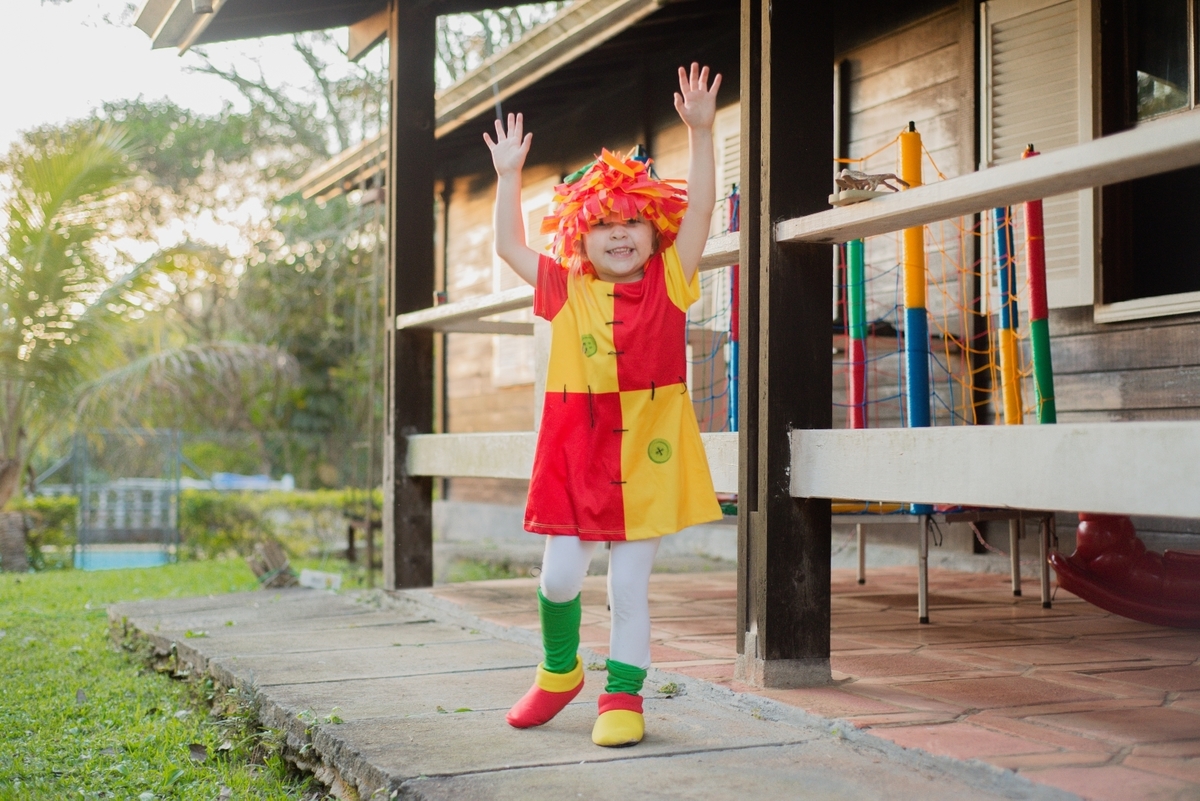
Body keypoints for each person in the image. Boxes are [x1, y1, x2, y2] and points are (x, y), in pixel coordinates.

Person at [484, 63, 724, 747]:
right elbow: (507, 245)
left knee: (629, 588)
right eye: (604, 225)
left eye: (632, 224)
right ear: (579, 234)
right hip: (578, 449)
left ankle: (623, 694)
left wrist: (701, 133)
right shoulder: (565, 286)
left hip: (649, 448)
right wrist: (507, 179)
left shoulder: (673, 278)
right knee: (560, 575)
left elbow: (703, 208)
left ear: (655, 231)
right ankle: (560, 669)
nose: (620, 235)